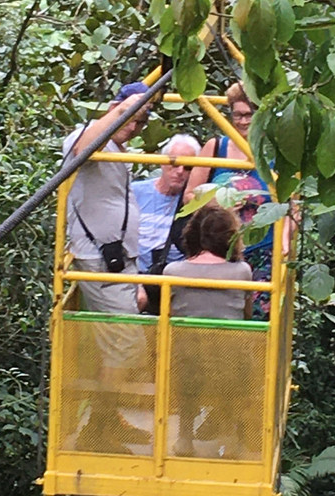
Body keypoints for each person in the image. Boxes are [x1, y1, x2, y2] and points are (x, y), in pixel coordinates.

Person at [60, 81, 154, 452]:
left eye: (142, 121)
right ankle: (97, 428)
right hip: (97, 258)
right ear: (118, 108)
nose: (136, 125)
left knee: (118, 343)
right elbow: (82, 150)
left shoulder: (118, 147)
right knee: (127, 344)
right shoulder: (88, 136)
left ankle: (106, 419)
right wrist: (122, 110)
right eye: (133, 117)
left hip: (117, 262)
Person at [163, 206, 253, 457]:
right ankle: (232, 437)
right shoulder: (242, 272)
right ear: (231, 237)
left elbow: (168, 315)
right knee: (238, 357)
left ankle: (184, 438)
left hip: (187, 357)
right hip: (230, 356)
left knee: (184, 356)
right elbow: (246, 314)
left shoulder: (172, 272)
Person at [183, 82, 275, 319]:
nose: (243, 121)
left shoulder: (275, 153)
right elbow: (189, 195)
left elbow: (290, 203)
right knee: (217, 314)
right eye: (238, 115)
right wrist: (217, 204)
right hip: (218, 250)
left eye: (249, 115)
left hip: (263, 249)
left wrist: (285, 246)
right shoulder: (216, 148)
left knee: (257, 318)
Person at [133, 134, 200, 314]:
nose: (179, 171)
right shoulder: (135, 192)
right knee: (136, 300)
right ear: (163, 163)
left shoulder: (194, 200)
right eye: (174, 163)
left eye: (187, 167)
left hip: (177, 279)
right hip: (135, 274)